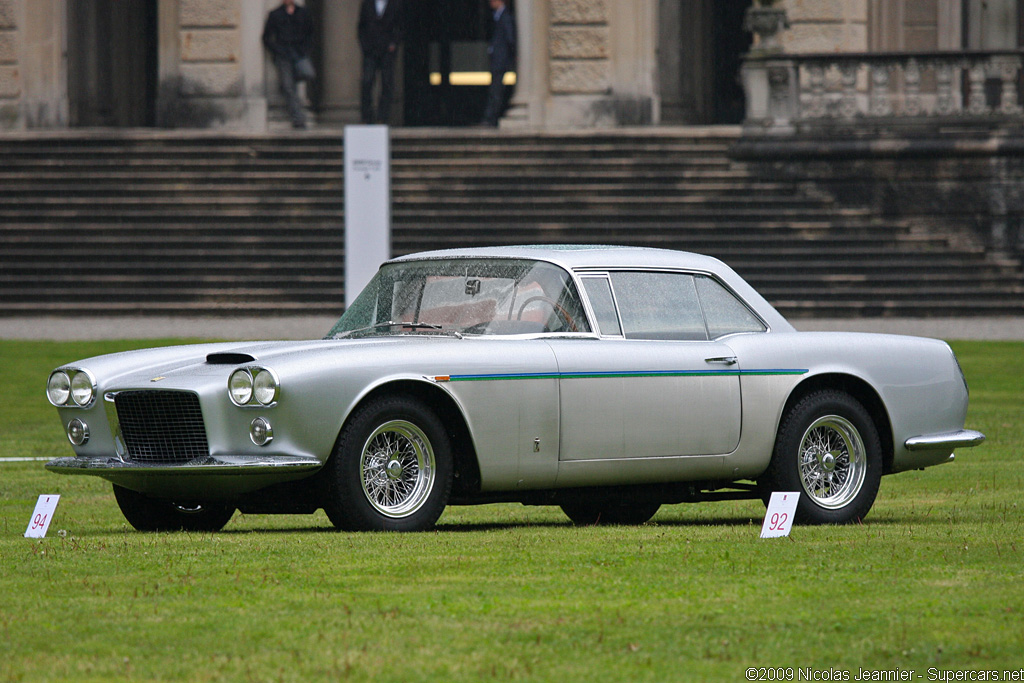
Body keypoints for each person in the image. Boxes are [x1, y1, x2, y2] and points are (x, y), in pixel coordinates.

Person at [263, 0, 315, 129]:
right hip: (283, 54)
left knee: (308, 74)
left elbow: (310, 32)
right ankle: (299, 119)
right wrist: (277, 50)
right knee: (289, 88)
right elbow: (266, 37)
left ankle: (286, 82)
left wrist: (305, 49)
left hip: (299, 53)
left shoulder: (303, 12)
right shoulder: (275, 14)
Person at [358, 0, 405, 125]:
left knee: (387, 83)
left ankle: (382, 117)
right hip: (370, 51)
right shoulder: (367, 4)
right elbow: (361, 27)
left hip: (387, 52)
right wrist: (365, 46)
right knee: (367, 82)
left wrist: (393, 44)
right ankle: (366, 116)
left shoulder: (395, 5)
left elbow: (400, 26)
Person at [481, 0, 516, 127]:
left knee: (496, 91)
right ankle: (491, 117)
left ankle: (491, 118)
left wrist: (510, 57)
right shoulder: (497, 16)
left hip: (501, 60)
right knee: (495, 90)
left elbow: (510, 38)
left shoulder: (505, 17)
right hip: (498, 59)